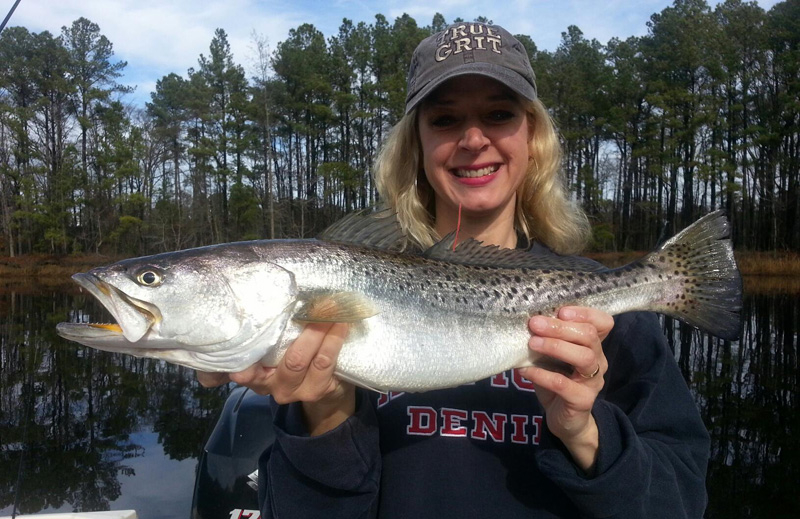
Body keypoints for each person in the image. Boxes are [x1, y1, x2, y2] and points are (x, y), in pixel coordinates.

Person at [198, 21, 710, 518]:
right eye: (444, 120)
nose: (473, 139)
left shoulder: (613, 320)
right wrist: (325, 414)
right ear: (416, 145)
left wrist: (585, 432)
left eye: (499, 114)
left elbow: (680, 502)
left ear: (532, 136)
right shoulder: (327, 308)